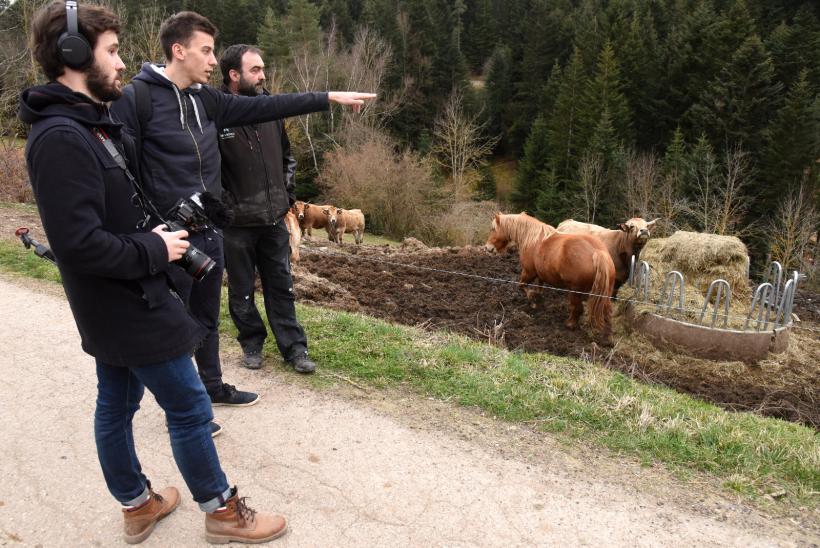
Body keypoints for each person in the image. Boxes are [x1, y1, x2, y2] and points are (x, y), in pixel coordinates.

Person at [20, 1, 289, 543]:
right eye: (112, 51)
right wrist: (156, 248)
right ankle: (221, 511)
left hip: (118, 299)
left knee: (115, 404)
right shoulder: (60, 139)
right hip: (127, 302)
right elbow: (78, 245)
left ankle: (138, 504)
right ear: (73, 55)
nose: (121, 63)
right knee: (189, 405)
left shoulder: (87, 125)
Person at [109, 11, 374, 408]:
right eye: (207, 51)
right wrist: (142, 228)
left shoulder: (208, 101)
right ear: (178, 51)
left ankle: (211, 386)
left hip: (208, 230)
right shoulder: (137, 99)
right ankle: (182, 406)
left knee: (207, 318)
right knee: (171, 321)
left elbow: (270, 108)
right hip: (166, 237)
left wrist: (327, 98)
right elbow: (118, 168)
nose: (214, 61)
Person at [217, 44, 315, 373]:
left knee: (282, 287)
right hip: (237, 224)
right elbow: (207, 167)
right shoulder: (217, 114)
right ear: (234, 75)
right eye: (255, 70)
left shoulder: (272, 111)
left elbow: (288, 157)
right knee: (241, 290)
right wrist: (226, 205)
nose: (263, 76)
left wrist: (286, 195)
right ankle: (251, 343)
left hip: (274, 218)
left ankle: (294, 348)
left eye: (262, 68)